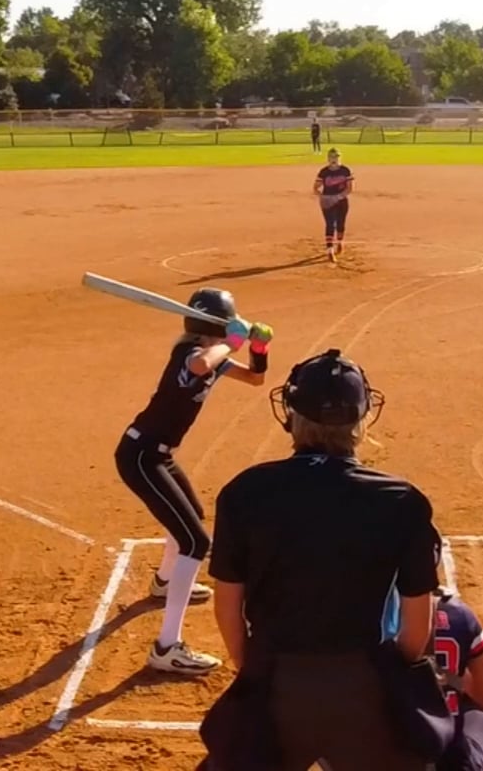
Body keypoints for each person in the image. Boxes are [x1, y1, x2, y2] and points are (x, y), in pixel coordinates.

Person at [202, 348, 445, 771]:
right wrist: (385, 679)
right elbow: (416, 630)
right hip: (365, 686)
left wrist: (256, 670)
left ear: (290, 415)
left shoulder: (245, 492)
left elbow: (227, 610)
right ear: (362, 418)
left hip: (276, 681)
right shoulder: (401, 500)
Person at [117, 288, 273, 675]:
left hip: (159, 456)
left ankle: (164, 582)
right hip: (140, 456)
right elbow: (202, 364)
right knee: (195, 541)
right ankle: (166, 647)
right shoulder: (188, 354)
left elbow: (254, 379)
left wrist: (258, 348)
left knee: (191, 518)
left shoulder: (214, 355)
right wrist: (232, 342)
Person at [433, 592, 483, 771]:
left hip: (391, 754)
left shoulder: (373, 621)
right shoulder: (457, 615)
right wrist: (456, 679)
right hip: (452, 761)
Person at [315, 148, 353, 262]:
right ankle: (330, 250)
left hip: (341, 201)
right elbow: (315, 188)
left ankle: (340, 242)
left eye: (336, 157)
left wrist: (337, 197)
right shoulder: (324, 172)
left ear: (339, 158)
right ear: (328, 158)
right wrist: (322, 197)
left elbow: (349, 188)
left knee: (341, 223)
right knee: (330, 224)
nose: (334, 159)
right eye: (331, 157)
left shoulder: (345, 170)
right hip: (328, 202)